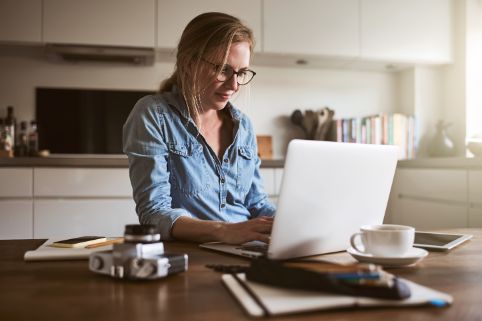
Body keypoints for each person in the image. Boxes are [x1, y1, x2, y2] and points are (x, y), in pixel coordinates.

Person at [123, 12, 276, 244]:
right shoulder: (153, 115)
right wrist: (224, 231)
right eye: (223, 69)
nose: (234, 85)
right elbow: (154, 213)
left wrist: (289, 223)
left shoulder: (243, 125)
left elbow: (256, 204)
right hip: (192, 253)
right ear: (189, 63)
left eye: (241, 73)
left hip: (250, 249)